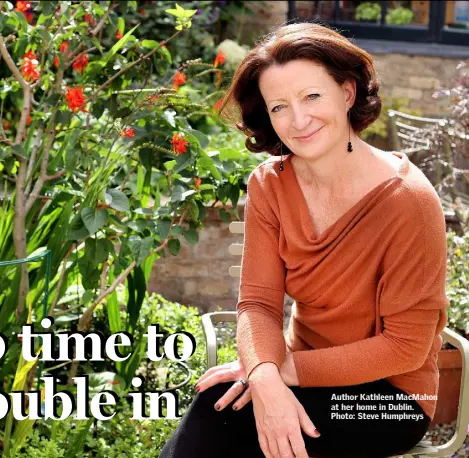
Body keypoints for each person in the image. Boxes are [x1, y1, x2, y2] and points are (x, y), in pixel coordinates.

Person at [159, 22, 448, 458]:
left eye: (312, 96)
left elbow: (405, 347)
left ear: (347, 93)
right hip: (301, 369)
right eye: (279, 107)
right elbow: (258, 304)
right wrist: (264, 373)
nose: (298, 120)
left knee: (241, 427)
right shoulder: (270, 186)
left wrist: (274, 374)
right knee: (214, 410)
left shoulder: (409, 201)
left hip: (390, 400)